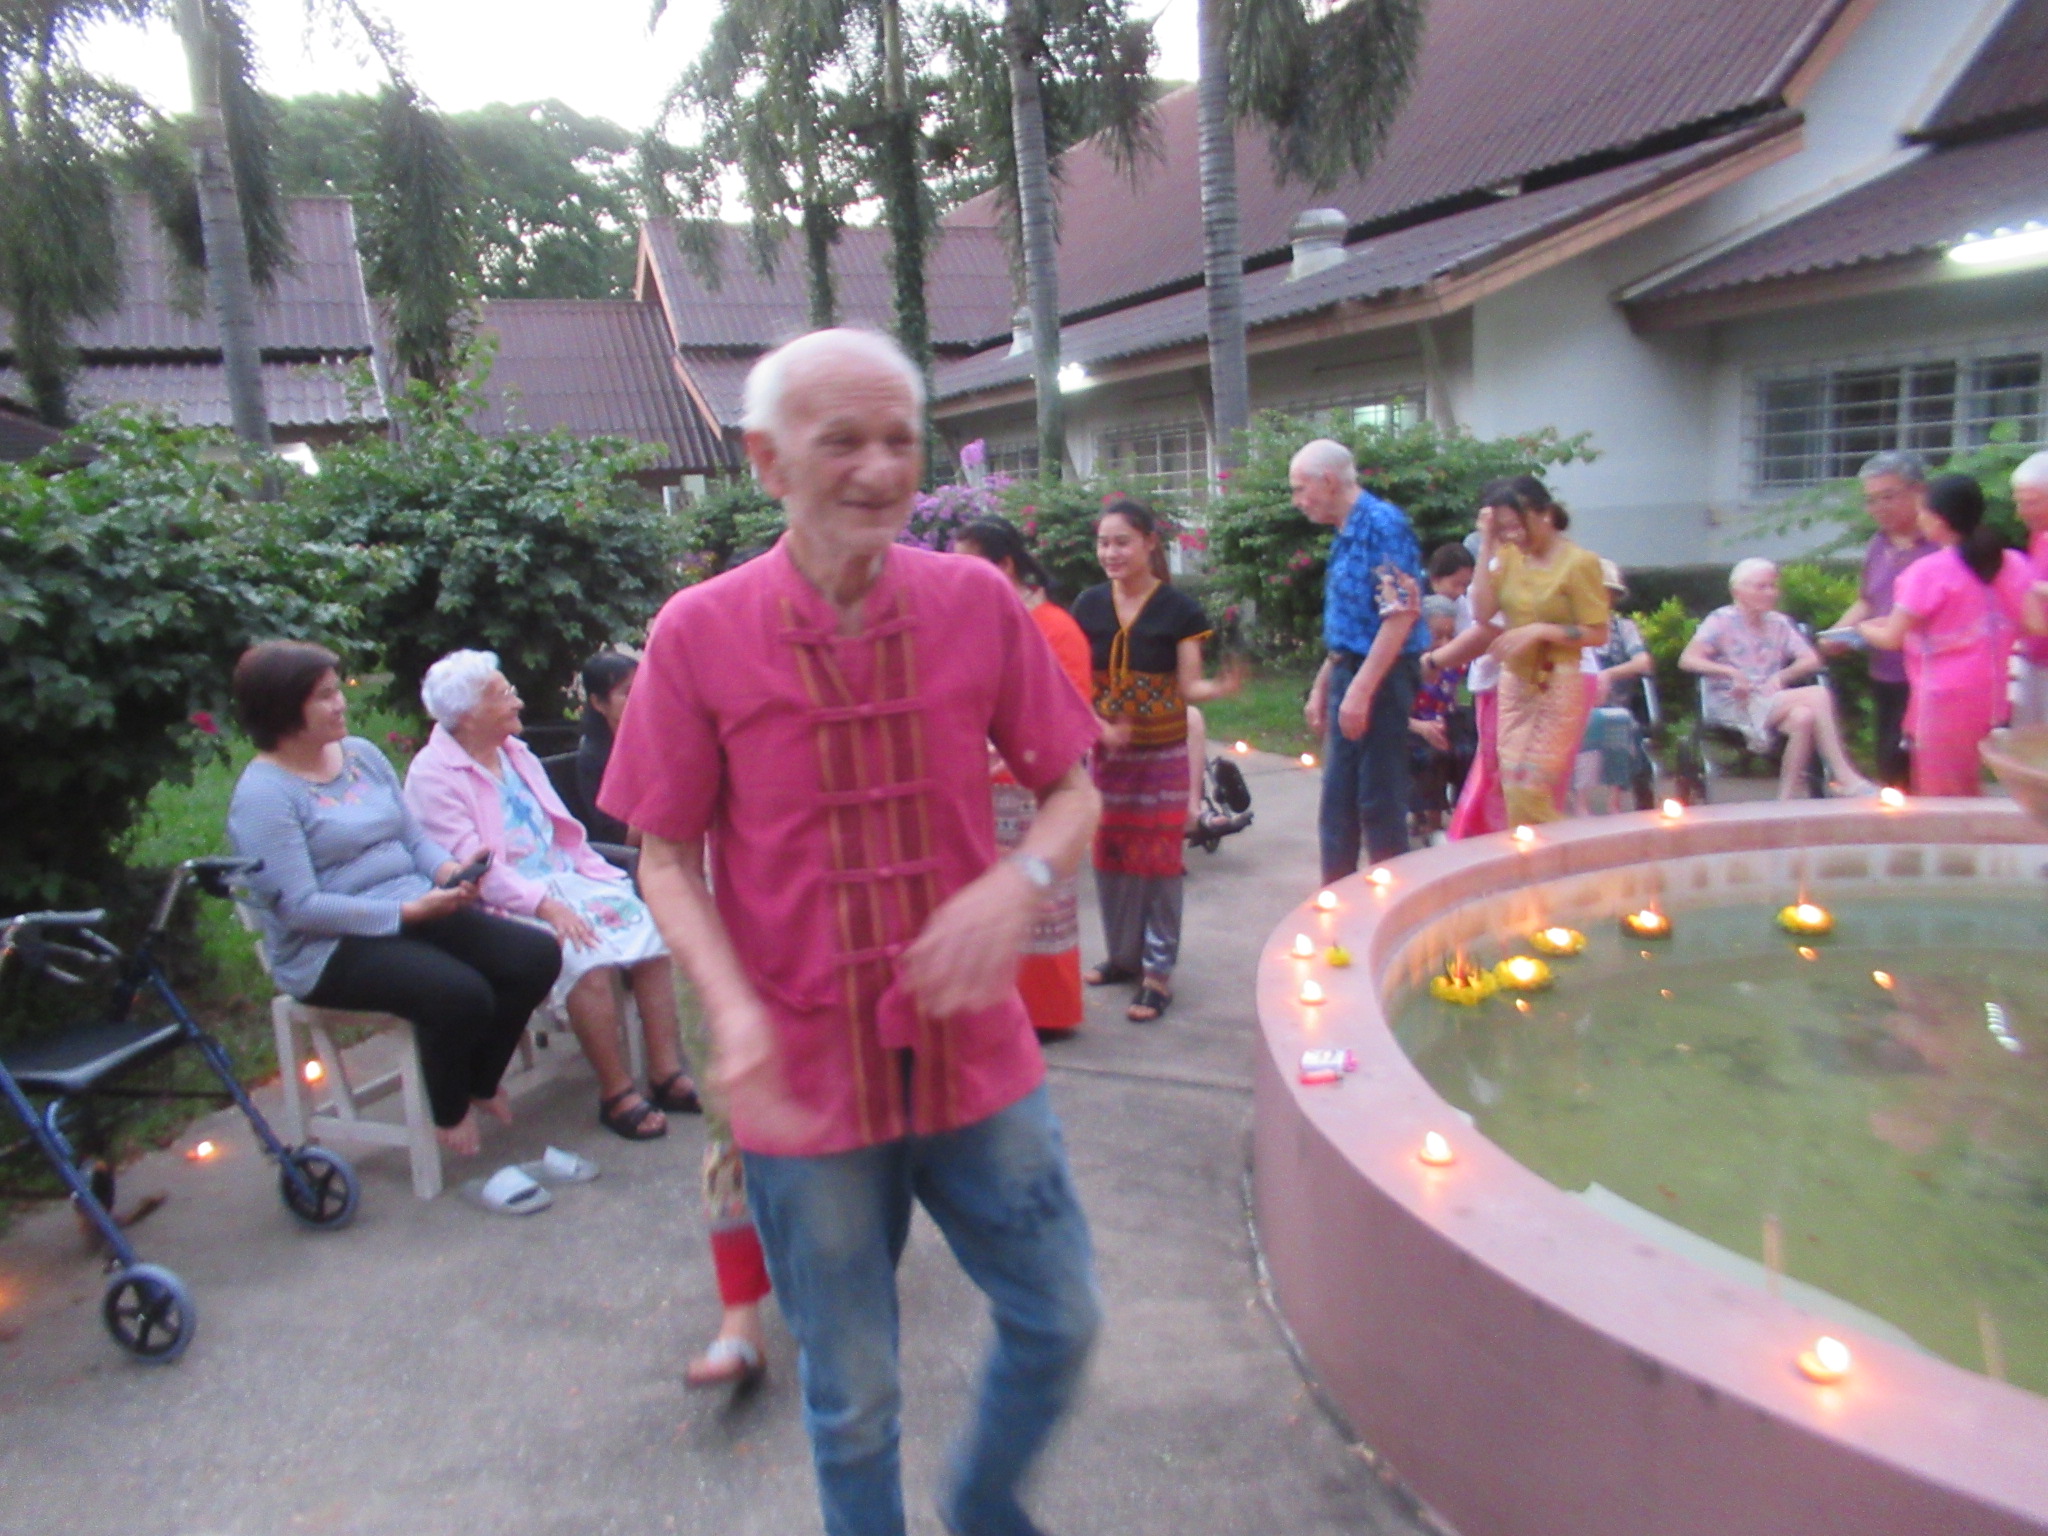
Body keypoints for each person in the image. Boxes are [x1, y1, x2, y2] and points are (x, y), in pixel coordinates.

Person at [598, 327, 1104, 1536]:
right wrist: (728, 1013)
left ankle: (982, 1505)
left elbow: (1071, 788)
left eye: (898, 440)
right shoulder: (697, 631)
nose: (879, 470)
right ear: (767, 462)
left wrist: (1019, 880)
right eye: (842, 442)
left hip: (974, 1055)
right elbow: (662, 855)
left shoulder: (975, 602)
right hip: (804, 1074)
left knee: (1060, 1317)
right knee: (854, 1396)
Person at [226, 641, 560, 1159]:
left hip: (414, 907)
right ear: (281, 708)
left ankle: (477, 1080)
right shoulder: (265, 796)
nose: (340, 703)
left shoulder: (361, 755)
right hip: (329, 946)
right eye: (324, 696)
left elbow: (412, 838)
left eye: (337, 690)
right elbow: (299, 907)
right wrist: (405, 913)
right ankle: (447, 1109)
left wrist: (450, 873)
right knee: (460, 994)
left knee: (534, 955)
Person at [403, 650, 698, 1143]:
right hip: (500, 901)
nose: (517, 701)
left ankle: (665, 1074)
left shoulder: (514, 752)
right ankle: (616, 1092)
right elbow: (473, 870)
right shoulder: (433, 776)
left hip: (564, 878)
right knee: (584, 956)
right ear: (469, 714)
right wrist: (544, 904)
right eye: (503, 694)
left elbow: (561, 830)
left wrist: (597, 875)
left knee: (652, 932)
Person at [1071, 496, 1243, 1023]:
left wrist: (1221, 686)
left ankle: (1157, 973)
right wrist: (1097, 725)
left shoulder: (1178, 610)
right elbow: (1074, 680)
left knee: (1159, 861)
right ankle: (1122, 957)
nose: (1111, 553)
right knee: (1110, 855)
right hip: (1108, 759)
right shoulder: (1088, 605)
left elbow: (1188, 685)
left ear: (1149, 543)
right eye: (1103, 543)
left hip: (1162, 756)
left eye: (1122, 542)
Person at [954, 515, 1091, 1037]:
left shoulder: (1055, 626)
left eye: (970, 564)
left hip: (1036, 788)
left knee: (1041, 903)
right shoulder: (977, 622)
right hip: (984, 789)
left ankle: (1049, 1013)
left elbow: (1071, 709)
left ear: (1004, 566)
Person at [1292, 439, 1424, 881]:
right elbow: (1351, 623)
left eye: (1300, 489)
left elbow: (1400, 615)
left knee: (1378, 800)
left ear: (1328, 481)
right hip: (1349, 668)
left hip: (1383, 676)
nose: (1297, 501)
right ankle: (1337, 900)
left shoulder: (1382, 526)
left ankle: (1389, 904)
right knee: (1338, 801)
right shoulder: (1345, 531)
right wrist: (1324, 684)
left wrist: (1361, 691)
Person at [1859, 474, 2040, 796]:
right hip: (1993, 694)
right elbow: (2035, 625)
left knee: (1942, 793)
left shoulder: (1928, 571)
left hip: (1943, 699)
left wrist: (1862, 629)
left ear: (1939, 519)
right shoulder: (2011, 562)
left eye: (1923, 511)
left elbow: (1891, 638)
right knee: (1971, 786)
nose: (1919, 518)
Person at [1467, 475, 1610, 825]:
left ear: (1544, 514)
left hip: (1558, 682)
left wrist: (1540, 631)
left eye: (1517, 526)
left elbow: (1597, 633)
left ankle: (1557, 851)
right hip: (1516, 682)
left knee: (1531, 785)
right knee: (1512, 784)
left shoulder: (1579, 562)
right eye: (1502, 529)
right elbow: (1482, 612)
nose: (1512, 536)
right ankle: (1534, 850)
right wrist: (1487, 546)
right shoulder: (1508, 558)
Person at [1682, 559, 1875, 799]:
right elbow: (1688, 659)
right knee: (1818, 694)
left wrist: (1782, 676)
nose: (1770, 593)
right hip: (1734, 704)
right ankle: (1844, 775)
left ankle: (1786, 798)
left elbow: (1811, 659)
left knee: (1803, 717)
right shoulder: (1720, 620)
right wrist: (1730, 672)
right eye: (1761, 587)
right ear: (1737, 591)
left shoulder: (1778, 622)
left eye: (1773, 586)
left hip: (1768, 700)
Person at [1822, 452, 1936, 788]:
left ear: (1918, 491)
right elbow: (1867, 600)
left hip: (1929, 673)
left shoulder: (1940, 545)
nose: (1879, 508)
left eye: (1888, 496)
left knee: (1925, 769)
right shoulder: (1878, 544)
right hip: (1885, 670)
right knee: (1890, 764)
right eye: (1871, 500)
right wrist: (1839, 633)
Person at [1577, 559, 1657, 813]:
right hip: (1576, 705)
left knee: (1618, 721)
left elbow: (1644, 662)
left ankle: (1614, 803)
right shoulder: (1571, 629)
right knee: (1588, 722)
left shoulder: (1624, 628)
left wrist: (1608, 675)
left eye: (1606, 593)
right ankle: (1581, 803)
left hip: (1616, 706)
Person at [575, 650, 639, 846]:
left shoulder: (652, 741)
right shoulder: (594, 759)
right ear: (598, 703)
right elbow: (619, 837)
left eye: (644, 688)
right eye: (628, 693)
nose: (641, 698)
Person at [2010, 451, 2048, 729]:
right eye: (2020, 502)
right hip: (2033, 658)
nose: (2022, 512)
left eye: (2031, 503)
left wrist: (2030, 589)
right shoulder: (2039, 533)